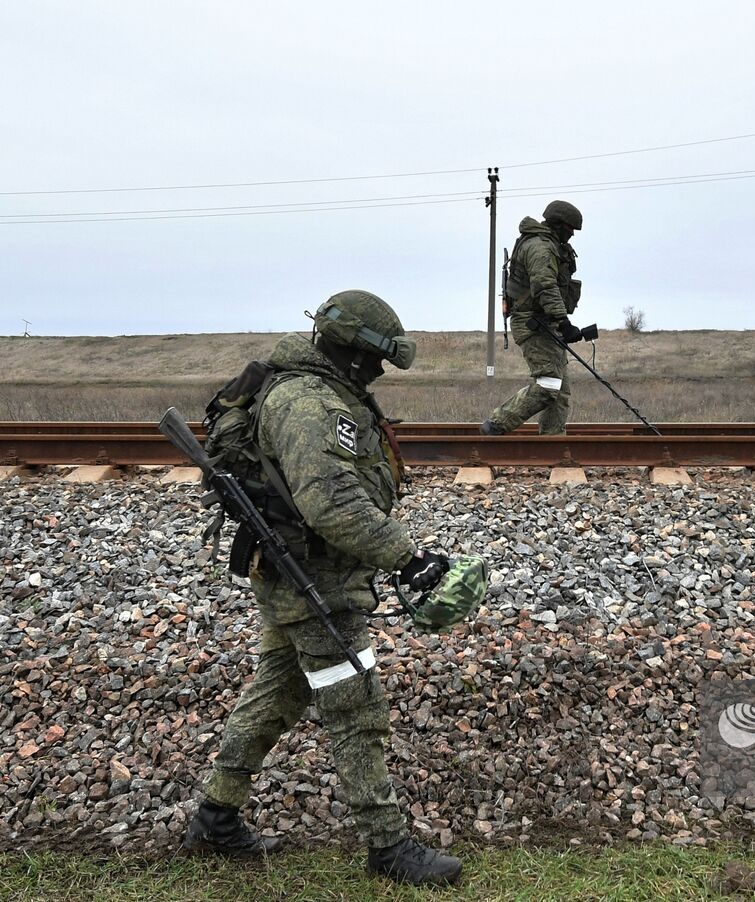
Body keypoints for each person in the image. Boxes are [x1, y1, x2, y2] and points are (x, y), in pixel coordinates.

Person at [183, 290, 461, 886]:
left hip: (298, 573)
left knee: (278, 693)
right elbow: (331, 501)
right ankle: (387, 846)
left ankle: (215, 816)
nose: (380, 371)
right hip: (314, 579)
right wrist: (406, 557)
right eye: (376, 359)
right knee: (356, 705)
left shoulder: (318, 391)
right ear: (353, 352)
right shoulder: (311, 404)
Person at [481, 199, 586, 436]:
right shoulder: (540, 247)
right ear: (558, 224)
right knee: (549, 385)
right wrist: (564, 321)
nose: (571, 234)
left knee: (559, 391)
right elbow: (545, 286)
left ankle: (551, 444)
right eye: (570, 229)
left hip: (545, 323)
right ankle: (496, 424)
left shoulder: (548, 245)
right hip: (534, 324)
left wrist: (559, 322)